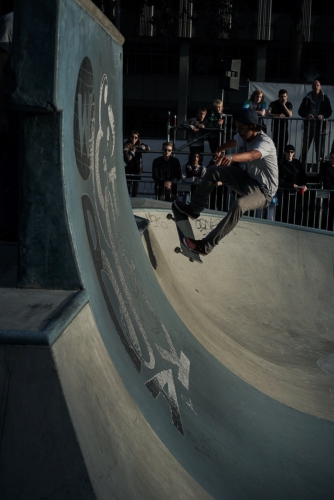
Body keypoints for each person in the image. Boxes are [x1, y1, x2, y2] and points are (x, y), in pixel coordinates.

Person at [173, 109, 278, 256]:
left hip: (263, 191)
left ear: (253, 127)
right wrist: (220, 149)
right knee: (213, 170)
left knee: (239, 205)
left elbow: (252, 155)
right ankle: (194, 209)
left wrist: (231, 157)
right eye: (237, 127)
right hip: (248, 179)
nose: (239, 131)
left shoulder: (264, 142)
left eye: (241, 128)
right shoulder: (243, 135)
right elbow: (234, 140)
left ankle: (206, 245)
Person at [298, 80, 332, 164]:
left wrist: (323, 116)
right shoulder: (307, 98)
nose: (316, 87)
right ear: (312, 87)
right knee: (304, 149)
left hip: (320, 127)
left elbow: (329, 111)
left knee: (319, 149)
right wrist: (307, 115)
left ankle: (319, 169)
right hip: (309, 126)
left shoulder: (325, 98)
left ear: (320, 86)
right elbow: (300, 111)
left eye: (317, 85)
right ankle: (301, 167)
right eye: (314, 85)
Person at [277, 144, 307, 225]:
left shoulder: (298, 163)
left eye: (291, 152)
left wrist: (304, 185)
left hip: (299, 193)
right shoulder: (282, 166)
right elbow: (281, 182)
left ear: (294, 153)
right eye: (288, 152)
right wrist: (292, 185)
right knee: (288, 214)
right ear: (285, 153)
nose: (289, 154)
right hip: (287, 195)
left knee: (299, 213)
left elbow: (303, 176)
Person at [267, 89, 293, 161]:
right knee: (275, 146)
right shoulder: (274, 103)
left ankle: (282, 161)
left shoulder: (289, 104)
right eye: (281, 96)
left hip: (284, 128)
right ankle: (276, 161)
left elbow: (290, 114)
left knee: (283, 147)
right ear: (278, 96)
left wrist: (284, 105)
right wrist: (278, 115)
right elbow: (268, 113)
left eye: (284, 96)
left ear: (287, 96)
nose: (283, 98)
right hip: (275, 128)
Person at [123, 131, 149, 197]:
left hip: (136, 169)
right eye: (132, 137)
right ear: (130, 137)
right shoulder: (126, 145)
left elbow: (147, 148)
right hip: (128, 169)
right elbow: (128, 158)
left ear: (138, 138)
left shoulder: (139, 144)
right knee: (126, 189)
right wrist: (132, 151)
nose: (133, 139)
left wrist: (138, 147)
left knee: (135, 189)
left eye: (135, 137)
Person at [320, 152, 334, 230]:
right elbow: (327, 184)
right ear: (329, 158)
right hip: (330, 197)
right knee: (329, 216)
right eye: (332, 158)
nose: (333, 159)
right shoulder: (326, 169)